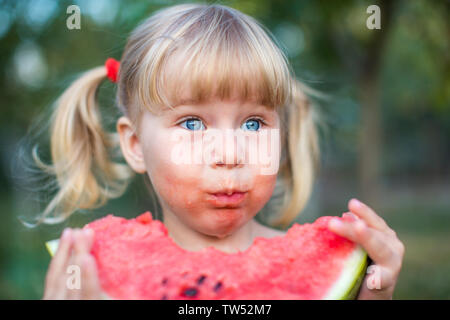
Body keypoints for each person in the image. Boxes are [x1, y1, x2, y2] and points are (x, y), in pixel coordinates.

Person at [37, 3, 404, 299]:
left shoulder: (321, 270)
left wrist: (374, 294)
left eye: (253, 124)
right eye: (193, 123)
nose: (229, 154)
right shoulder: (90, 277)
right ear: (135, 145)